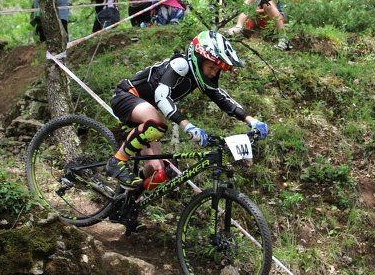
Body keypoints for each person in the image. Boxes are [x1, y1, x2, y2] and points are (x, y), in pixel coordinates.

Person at [106, 30, 269, 188]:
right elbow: (161, 97)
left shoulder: (200, 77)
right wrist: (188, 126)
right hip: (126, 97)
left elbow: (223, 100)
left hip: (146, 113)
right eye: (211, 67)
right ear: (199, 59)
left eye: (217, 69)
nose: (213, 73)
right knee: (158, 123)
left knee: (158, 171)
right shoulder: (180, 65)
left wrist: (252, 121)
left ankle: (127, 199)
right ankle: (117, 161)